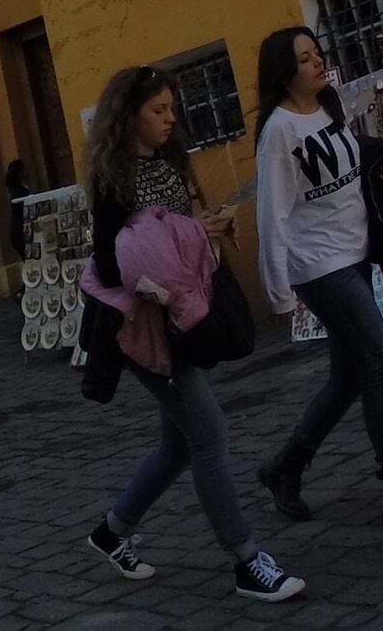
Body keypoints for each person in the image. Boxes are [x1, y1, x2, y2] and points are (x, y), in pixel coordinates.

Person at [81, 65, 305, 604]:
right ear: (128, 114)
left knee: (179, 445)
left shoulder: (170, 163)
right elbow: (112, 268)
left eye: (170, 109)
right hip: (143, 330)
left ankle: (113, 530)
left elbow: (178, 233)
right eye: (158, 110)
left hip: (183, 319)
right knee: (208, 435)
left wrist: (207, 229)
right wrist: (184, 234)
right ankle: (247, 561)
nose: (168, 118)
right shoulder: (115, 180)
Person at [252, 28, 383, 528]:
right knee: (381, 362)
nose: (317, 63)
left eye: (318, 52)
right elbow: (272, 215)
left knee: (349, 377)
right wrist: (279, 291)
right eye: (305, 59)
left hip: (356, 253)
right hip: (320, 266)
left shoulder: (329, 107)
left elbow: (354, 167)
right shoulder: (279, 131)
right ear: (284, 72)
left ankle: (286, 466)